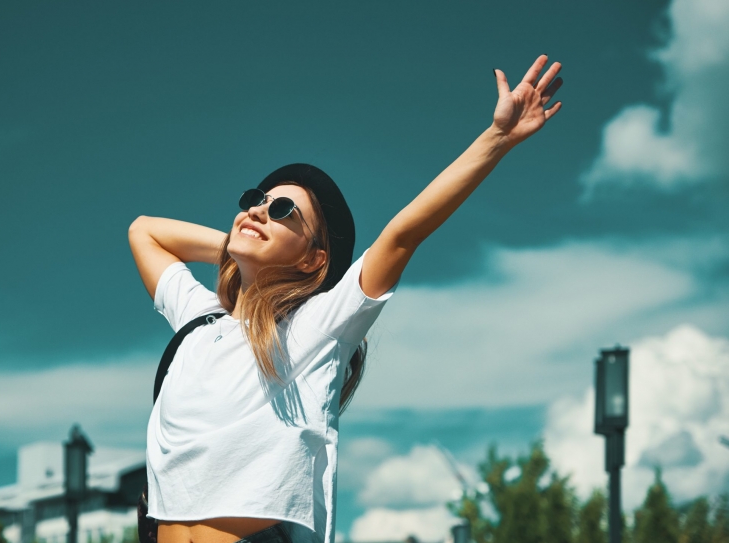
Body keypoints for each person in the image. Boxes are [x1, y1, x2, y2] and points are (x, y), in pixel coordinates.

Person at [128, 54, 563, 543]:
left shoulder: (319, 325)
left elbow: (401, 235)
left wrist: (496, 139)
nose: (259, 210)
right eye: (255, 200)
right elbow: (144, 232)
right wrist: (237, 249)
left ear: (315, 259)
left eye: (284, 209)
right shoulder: (200, 321)